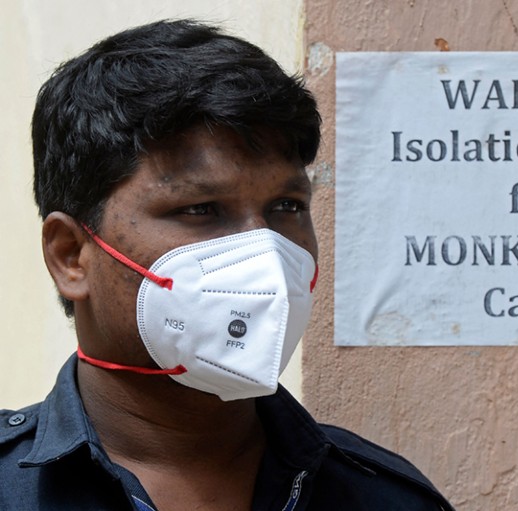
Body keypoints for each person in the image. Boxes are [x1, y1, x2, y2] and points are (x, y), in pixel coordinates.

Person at [0, 19, 454, 511]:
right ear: (70, 256)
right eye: (200, 209)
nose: (264, 253)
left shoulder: (385, 499)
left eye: (287, 207)